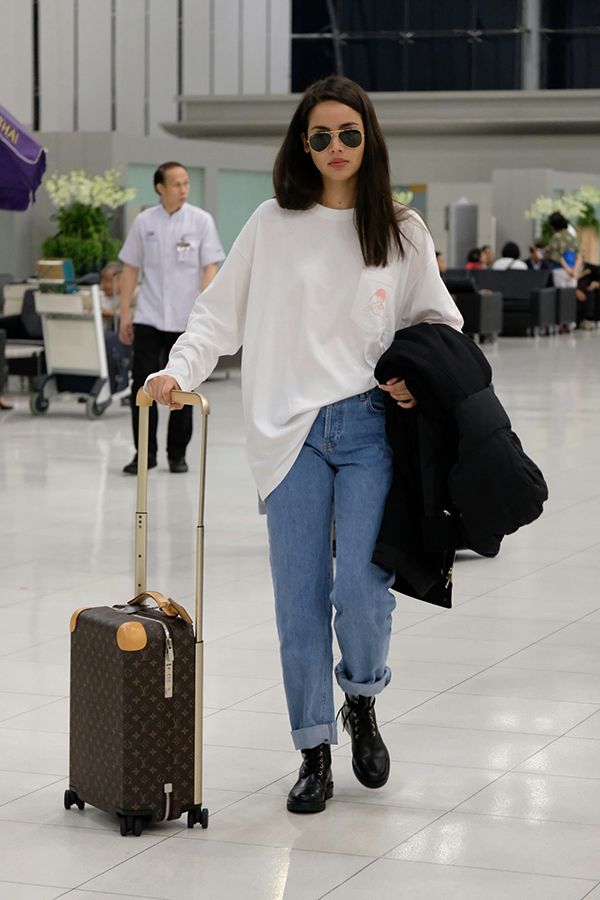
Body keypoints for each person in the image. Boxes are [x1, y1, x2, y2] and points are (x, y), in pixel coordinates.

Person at [145, 76, 463, 814]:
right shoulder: (272, 222)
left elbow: (439, 324)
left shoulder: (401, 229)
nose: (336, 147)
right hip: (289, 434)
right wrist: (178, 370)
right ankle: (313, 748)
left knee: (362, 590)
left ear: (369, 139)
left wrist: (415, 378)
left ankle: (362, 698)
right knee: (298, 600)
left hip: (369, 427)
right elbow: (218, 316)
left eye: (349, 133)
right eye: (320, 136)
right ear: (302, 145)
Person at [118, 162, 225, 474]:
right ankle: (144, 454)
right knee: (142, 386)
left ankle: (177, 454)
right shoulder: (144, 222)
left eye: (186, 183)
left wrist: (204, 310)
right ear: (160, 188)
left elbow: (209, 267)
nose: (183, 190)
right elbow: (130, 268)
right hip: (149, 316)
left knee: (182, 385)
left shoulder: (201, 221)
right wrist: (125, 311)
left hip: (185, 319)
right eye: (176, 184)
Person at [545, 212, 582, 288]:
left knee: (561, 294)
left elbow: (556, 255)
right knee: (570, 294)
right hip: (573, 270)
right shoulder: (573, 237)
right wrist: (574, 270)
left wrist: (567, 270)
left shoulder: (557, 236)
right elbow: (579, 256)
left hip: (561, 270)